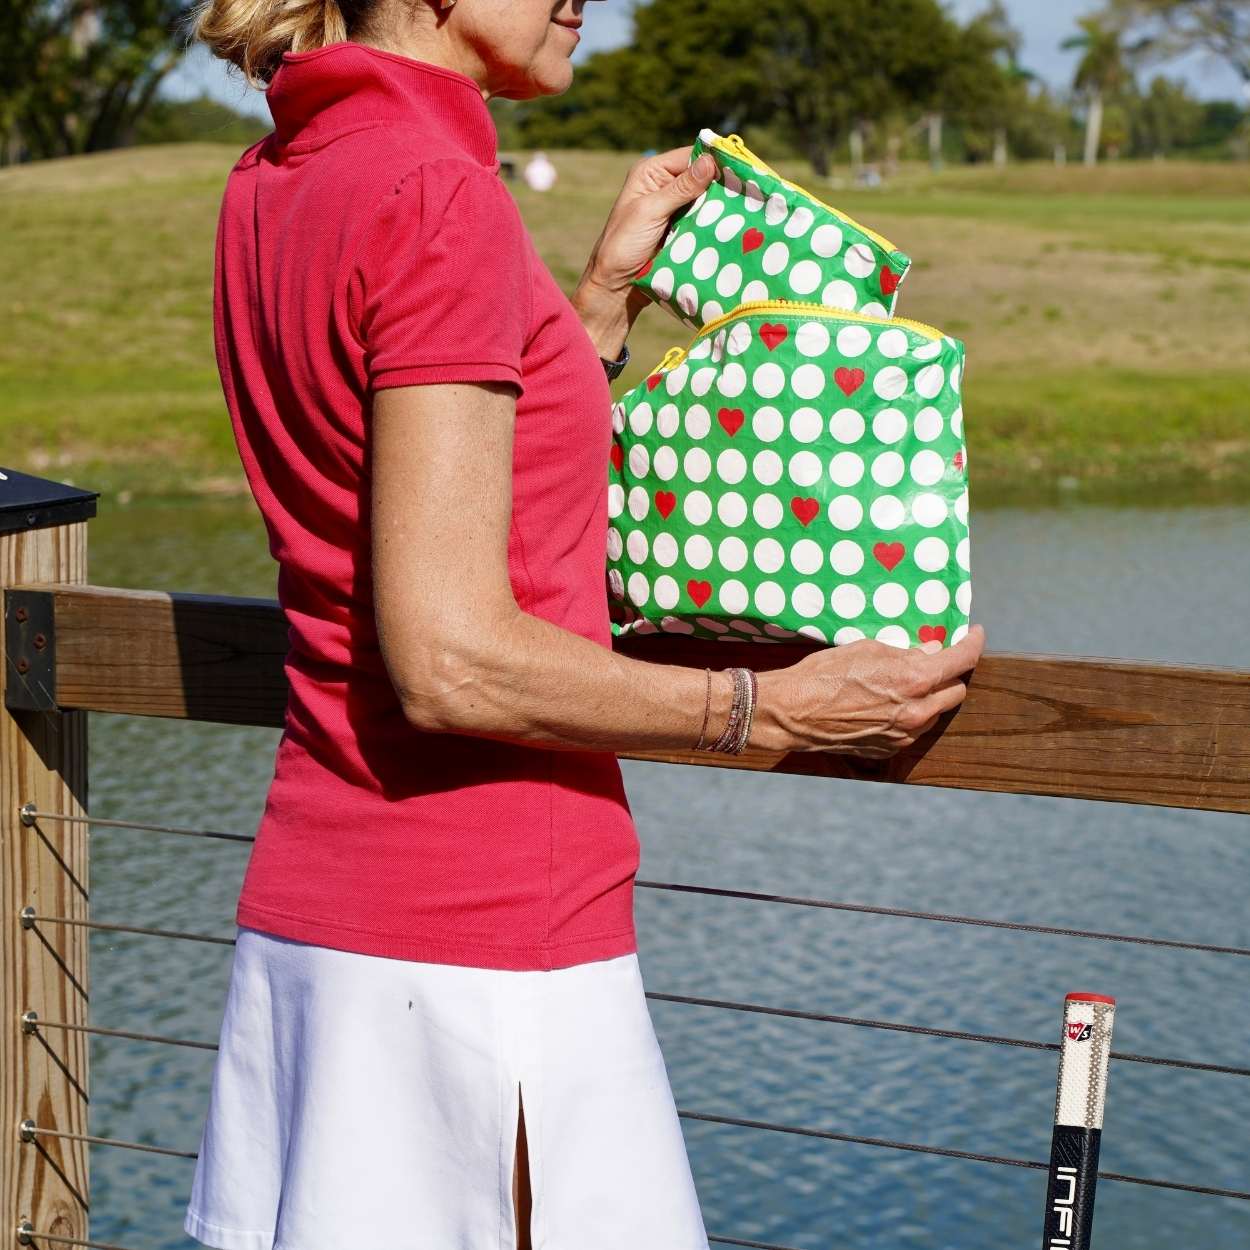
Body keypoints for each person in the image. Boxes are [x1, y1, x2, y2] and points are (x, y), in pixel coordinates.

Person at [182, 1, 988, 1247]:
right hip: (486, 933)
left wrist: (597, 303)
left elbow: (442, 483)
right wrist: (766, 713)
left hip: (325, 917)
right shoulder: (435, 192)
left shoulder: (279, 172)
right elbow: (451, 654)